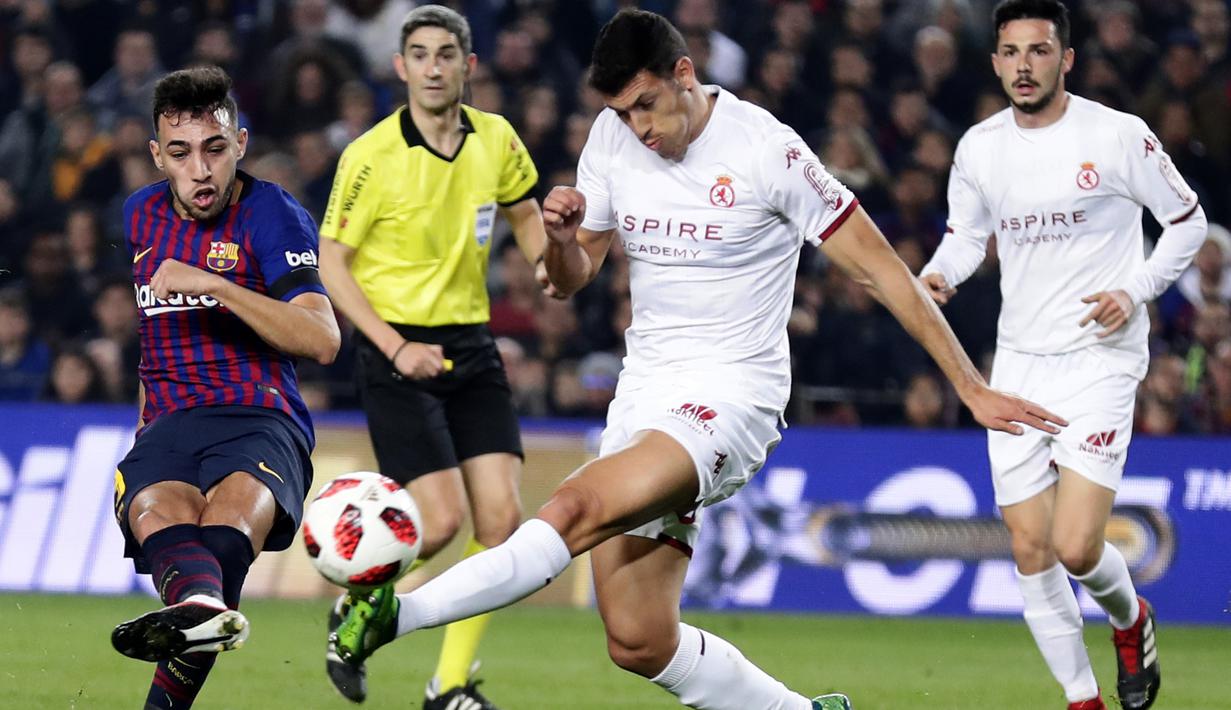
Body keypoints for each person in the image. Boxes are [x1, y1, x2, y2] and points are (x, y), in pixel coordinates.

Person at [330, 10, 1064, 710]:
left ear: (684, 74)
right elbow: (569, 280)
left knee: (574, 508)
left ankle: (394, 616)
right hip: (644, 392)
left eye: (646, 106)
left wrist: (970, 385)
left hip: (732, 397)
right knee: (637, 638)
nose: (638, 128)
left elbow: (880, 271)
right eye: (622, 113)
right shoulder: (612, 139)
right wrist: (559, 240)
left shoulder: (766, 150)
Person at [918, 2, 1208, 709]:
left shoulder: (1116, 136)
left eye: (1039, 50)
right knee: (1028, 547)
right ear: (995, 62)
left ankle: (1130, 618)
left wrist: (1135, 290)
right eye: (1011, 52)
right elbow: (966, 237)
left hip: (1099, 359)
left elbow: (1187, 221)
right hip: (1019, 362)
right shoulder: (980, 147)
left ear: (1066, 59)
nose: (1024, 66)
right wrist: (939, 274)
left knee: (1076, 546)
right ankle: (1083, 700)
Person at [317, 6, 552, 709]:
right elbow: (332, 262)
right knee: (440, 521)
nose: (432, 67)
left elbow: (526, 213)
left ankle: (447, 686)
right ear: (400, 67)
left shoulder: (497, 138)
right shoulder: (371, 155)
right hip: (395, 344)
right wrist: (394, 346)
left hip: (469, 343)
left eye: (445, 54)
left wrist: (553, 259)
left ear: (467, 65)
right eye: (418, 54)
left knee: (501, 523)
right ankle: (358, 602)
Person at [108, 66, 340, 710]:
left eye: (214, 148)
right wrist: (145, 430)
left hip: (258, 415)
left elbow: (322, 338)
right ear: (158, 156)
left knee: (226, 527)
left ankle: (198, 605)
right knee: (157, 515)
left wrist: (216, 285)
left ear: (240, 142)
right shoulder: (139, 214)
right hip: (170, 420)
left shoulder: (272, 215)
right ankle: (202, 607)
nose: (201, 170)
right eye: (181, 153)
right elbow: (152, 330)